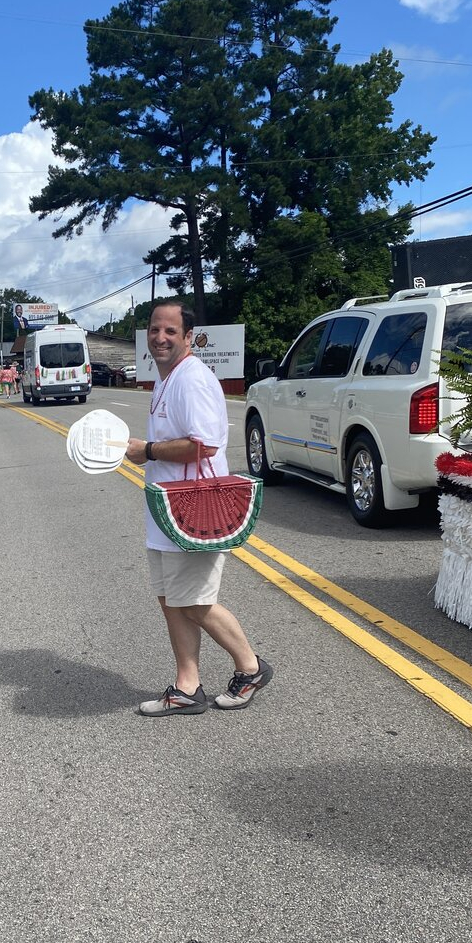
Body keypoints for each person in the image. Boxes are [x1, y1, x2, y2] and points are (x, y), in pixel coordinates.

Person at [126, 300, 273, 717]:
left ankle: (250, 667)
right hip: (168, 512)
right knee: (171, 600)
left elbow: (204, 444)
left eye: (171, 331)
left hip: (197, 511)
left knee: (192, 601)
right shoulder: (167, 378)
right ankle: (187, 686)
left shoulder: (191, 378)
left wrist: (147, 450)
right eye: (155, 330)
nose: (160, 338)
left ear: (188, 337)